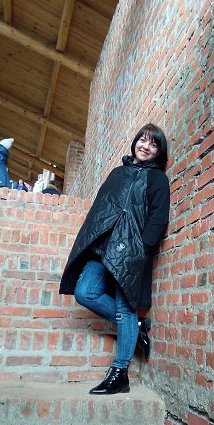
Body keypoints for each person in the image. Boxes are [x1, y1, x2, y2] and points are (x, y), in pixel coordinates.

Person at [59, 124, 170, 395]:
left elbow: (158, 218)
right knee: (85, 292)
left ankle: (120, 374)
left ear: (159, 152)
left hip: (131, 250)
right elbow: (101, 208)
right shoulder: (118, 173)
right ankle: (136, 326)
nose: (146, 146)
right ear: (135, 142)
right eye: (142, 140)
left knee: (125, 306)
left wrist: (140, 249)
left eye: (153, 144)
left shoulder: (157, 179)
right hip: (103, 247)